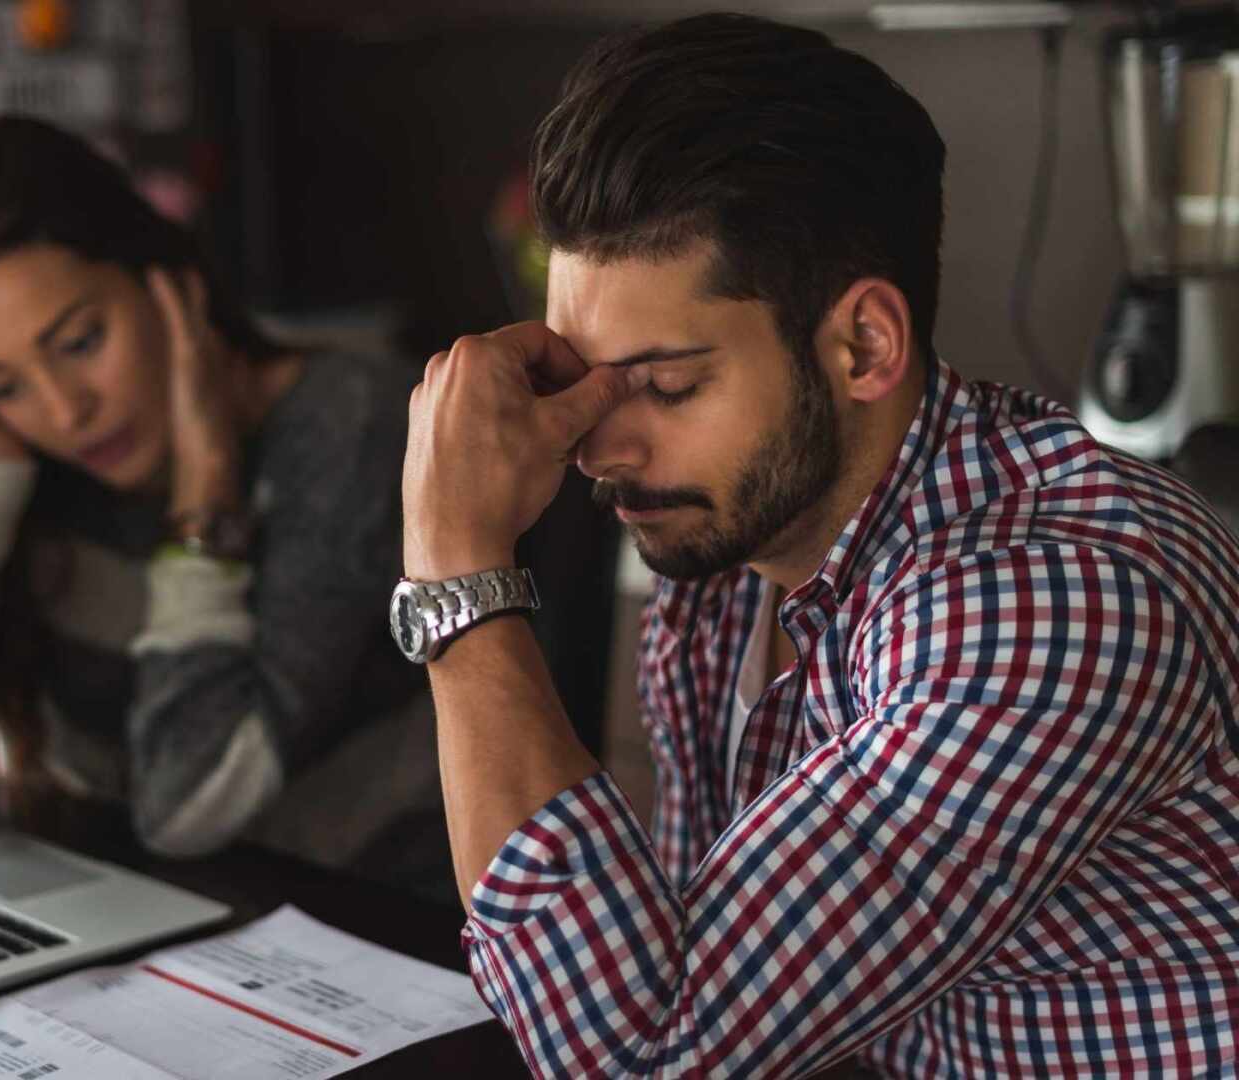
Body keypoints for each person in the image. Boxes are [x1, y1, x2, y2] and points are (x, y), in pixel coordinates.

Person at [399, 14, 1239, 1077]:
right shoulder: (721, 563)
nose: (601, 448)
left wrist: (457, 573)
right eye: (583, 381)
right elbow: (692, 977)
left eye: (664, 385)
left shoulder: (1049, 600)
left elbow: (648, 1052)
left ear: (864, 345)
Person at [0, 116, 443, 887]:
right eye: (2, 385)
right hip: (138, 922)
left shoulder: (348, 424)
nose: (64, 411)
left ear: (165, 279)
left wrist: (205, 497)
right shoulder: (34, 467)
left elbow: (188, 809)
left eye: (79, 342)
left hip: (365, 935)